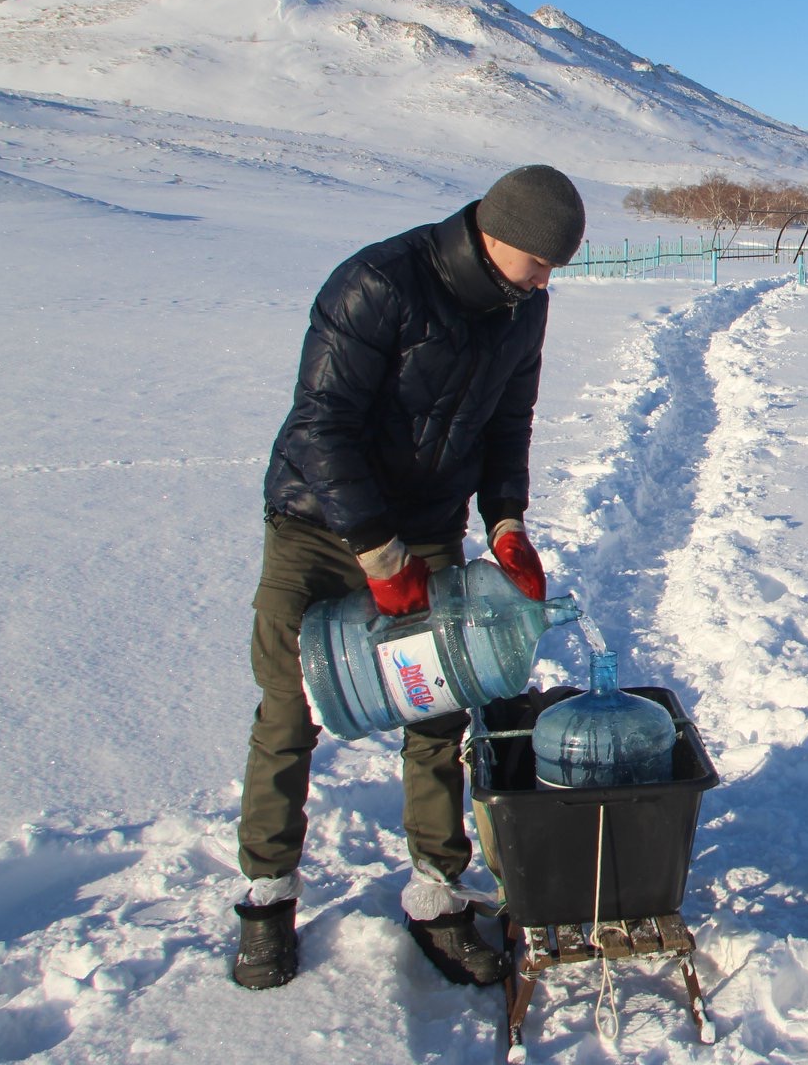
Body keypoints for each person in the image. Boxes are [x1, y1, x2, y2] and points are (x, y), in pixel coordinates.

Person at [230, 165, 584, 990]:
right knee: (290, 708)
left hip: (427, 531)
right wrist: (376, 553)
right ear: (501, 237)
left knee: (438, 714)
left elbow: (508, 421)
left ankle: (435, 893)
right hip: (318, 528)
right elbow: (320, 425)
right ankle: (267, 897)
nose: (548, 280)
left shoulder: (520, 305)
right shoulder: (376, 284)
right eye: (542, 262)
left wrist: (505, 522)